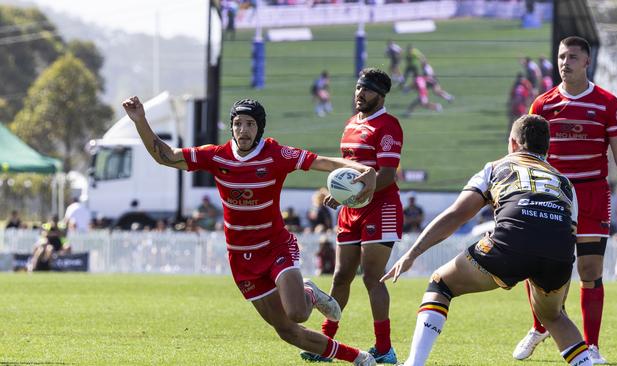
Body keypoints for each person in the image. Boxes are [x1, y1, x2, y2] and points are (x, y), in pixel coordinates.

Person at [122, 95, 378, 366]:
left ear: (260, 129)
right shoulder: (216, 156)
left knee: (298, 314)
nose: (243, 130)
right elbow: (167, 156)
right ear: (231, 127)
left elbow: (323, 163)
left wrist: (364, 169)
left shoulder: (276, 154)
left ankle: (309, 293)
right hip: (242, 260)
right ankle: (358, 357)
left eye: (250, 124)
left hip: (276, 247)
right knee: (287, 332)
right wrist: (141, 120)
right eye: (238, 123)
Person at [382, 114, 592, 366]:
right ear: (547, 148)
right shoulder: (565, 182)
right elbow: (568, 233)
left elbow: (457, 214)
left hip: (511, 243)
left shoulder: (496, 167)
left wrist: (412, 254)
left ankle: (414, 364)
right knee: (554, 316)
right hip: (558, 254)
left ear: (513, 143)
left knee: (440, 284)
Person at [513, 36, 617, 364]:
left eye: (572, 56)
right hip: (552, 194)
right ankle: (539, 327)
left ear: (587, 61)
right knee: (541, 268)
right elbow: (523, 151)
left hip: (592, 193)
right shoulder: (541, 105)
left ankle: (592, 346)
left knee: (589, 270)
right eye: (561, 56)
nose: (564, 62)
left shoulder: (607, 103)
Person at [305, 68, 403, 364]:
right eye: (359, 88)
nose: (360, 94)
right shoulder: (350, 125)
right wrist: (344, 194)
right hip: (353, 210)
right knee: (340, 276)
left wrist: (358, 194)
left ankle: (384, 349)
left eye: (368, 90)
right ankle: (325, 343)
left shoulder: (388, 126)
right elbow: (346, 172)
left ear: (381, 95)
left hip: (381, 207)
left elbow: (386, 175)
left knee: (372, 278)